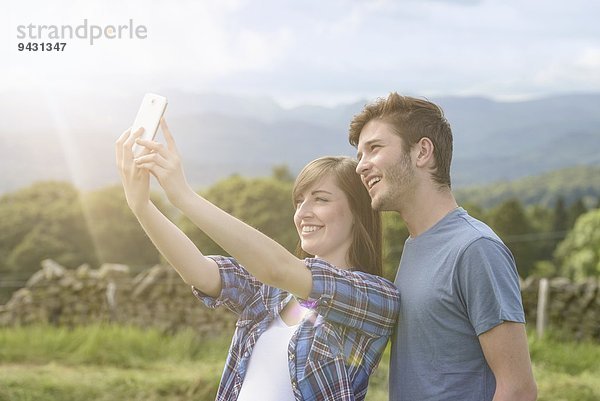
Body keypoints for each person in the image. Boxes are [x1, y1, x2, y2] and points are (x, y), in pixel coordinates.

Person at [115, 119, 400, 401]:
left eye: (321, 199)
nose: (303, 213)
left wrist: (184, 197)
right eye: (299, 201)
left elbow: (278, 267)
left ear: (358, 212)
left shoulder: (375, 298)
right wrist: (141, 206)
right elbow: (200, 272)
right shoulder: (273, 293)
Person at [349, 93, 537, 401]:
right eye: (360, 155)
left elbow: (518, 389)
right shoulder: (414, 246)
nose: (361, 167)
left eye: (374, 148)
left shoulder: (475, 249)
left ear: (422, 151)